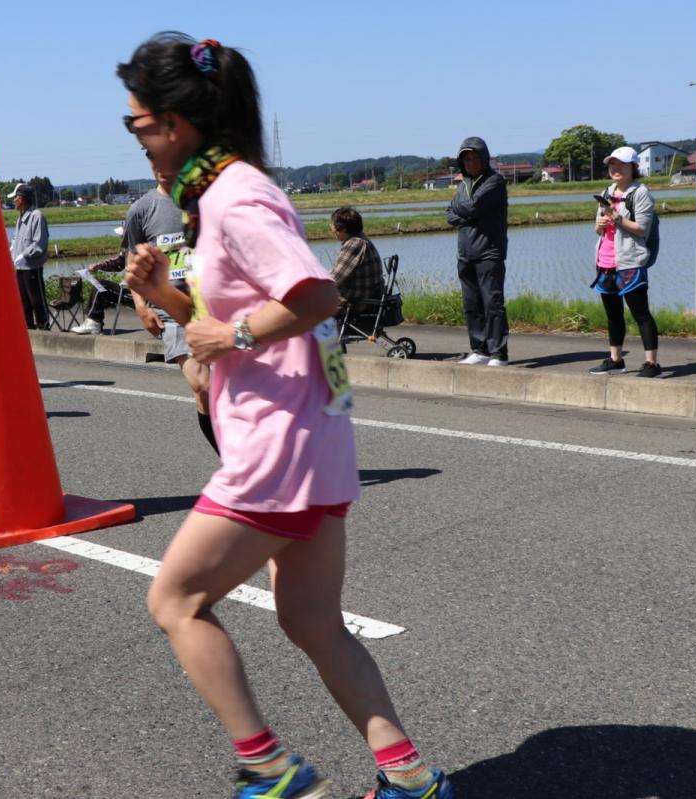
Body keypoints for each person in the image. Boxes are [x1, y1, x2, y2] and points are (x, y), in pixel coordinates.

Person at [119, 33, 451, 799]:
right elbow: (230, 316)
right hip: (310, 436)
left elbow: (315, 296)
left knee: (174, 600)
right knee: (310, 620)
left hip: (278, 442)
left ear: (178, 122)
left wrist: (225, 333)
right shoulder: (220, 196)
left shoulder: (237, 196)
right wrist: (168, 295)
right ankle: (412, 779)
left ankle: (272, 772)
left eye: (138, 125)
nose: (137, 141)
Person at [75, 157, 218, 453]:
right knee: (203, 386)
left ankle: (247, 466)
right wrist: (142, 306)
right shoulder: (141, 210)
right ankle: (232, 462)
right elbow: (132, 261)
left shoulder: (207, 200)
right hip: (172, 311)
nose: (161, 162)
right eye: (153, 157)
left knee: (228, 392)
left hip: (215, 305)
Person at [590, 146, 661, 377]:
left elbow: (642, 229)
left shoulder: (640, 193)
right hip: (606, 262)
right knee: (613, 315)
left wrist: (616, 217)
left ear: (633, 167)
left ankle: (651, 364)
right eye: (612, 164)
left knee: (641, 313)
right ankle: (616, 359)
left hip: (630, 262)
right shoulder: (607, 191)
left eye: (621, 164)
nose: (615, 168)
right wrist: (600, 225)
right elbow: (599, 227)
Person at [445, 136, 509, 367]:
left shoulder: (495, 181)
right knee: (471, 303)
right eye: (466, 158)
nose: (471, 162)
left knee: (492, 303)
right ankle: (480, 349)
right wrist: (461, 211)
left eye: (475, 157)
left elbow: (471, 208)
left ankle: (498, 353)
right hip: (465, 252)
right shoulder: (463, 185)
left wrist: (459, 210)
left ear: (484, 158)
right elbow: (450, 214)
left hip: (489, 252)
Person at [329, 206, 386, 319]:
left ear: (343, 228)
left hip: (355, 303)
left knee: (306, 303)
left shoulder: (354, 244)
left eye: (333, 225)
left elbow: (334, 279)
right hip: (367, 298)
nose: (331, 228)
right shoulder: (363, 239)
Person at [8, 183, 49, 330]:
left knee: (37, 300)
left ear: (22, 198)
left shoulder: (36, 216)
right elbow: (16, 239)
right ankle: (28, 329)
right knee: (23, 301)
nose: (13, 201)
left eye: (15, 198)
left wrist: (24, 255)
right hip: (19, 267)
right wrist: (11, 251)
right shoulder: (21, 217)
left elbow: (39, 243)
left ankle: (44, 328)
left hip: (32, 267)